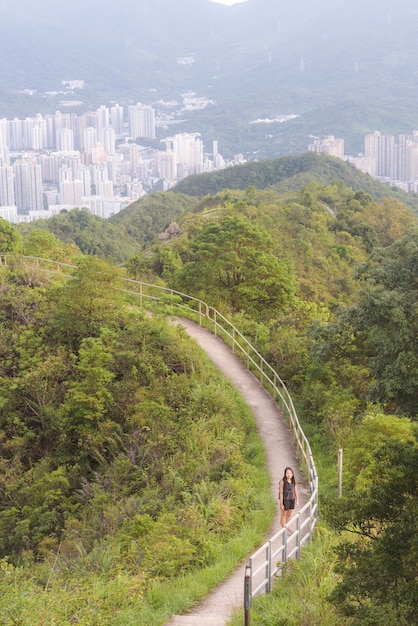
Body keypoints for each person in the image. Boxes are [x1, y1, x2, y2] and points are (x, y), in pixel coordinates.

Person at [279, 467, 299, 534]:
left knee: (289, 515)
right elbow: (281, 493)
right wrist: (281, 503)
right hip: (285, 500)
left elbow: (296, 491)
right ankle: (284, 530)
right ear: (285, 474)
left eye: (290, 473)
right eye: (287, 473)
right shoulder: (282, 482)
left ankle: (288, 527)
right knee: (283, 515)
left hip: (292, 500)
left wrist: (297, 500)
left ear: (292, 474)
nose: (289, 474)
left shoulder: (293, 481)